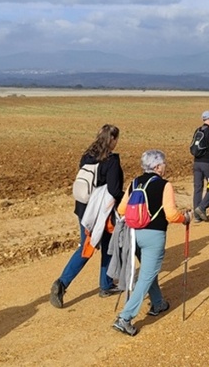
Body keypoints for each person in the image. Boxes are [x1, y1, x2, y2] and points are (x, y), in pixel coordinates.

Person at [111, 150, 191, 336]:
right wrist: (184, 218)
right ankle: (125, 318)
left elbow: (122, 209)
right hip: (154, 236)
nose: (165, 167)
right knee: (146, 275)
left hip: (133, 235)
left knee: (149, 271)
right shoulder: (165, 185)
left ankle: (158, 303)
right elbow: (171, 214)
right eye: (163, 164)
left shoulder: (135, 183)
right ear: (157, 167)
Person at [50, 124, 124, 309]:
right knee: (98, 248)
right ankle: (63, 283)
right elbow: (114, 190)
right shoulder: (111, 161)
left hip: (83, 210)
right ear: (112, 139)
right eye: (116, 139)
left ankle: (104, 284)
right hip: (102, 212)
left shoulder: (87, 156)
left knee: (91, 245)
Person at [190, 110, 209, 211]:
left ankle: (197, 214)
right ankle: (202, 208)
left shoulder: (198, 130)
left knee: (197, 188)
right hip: (207, 163)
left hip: (196, 162)